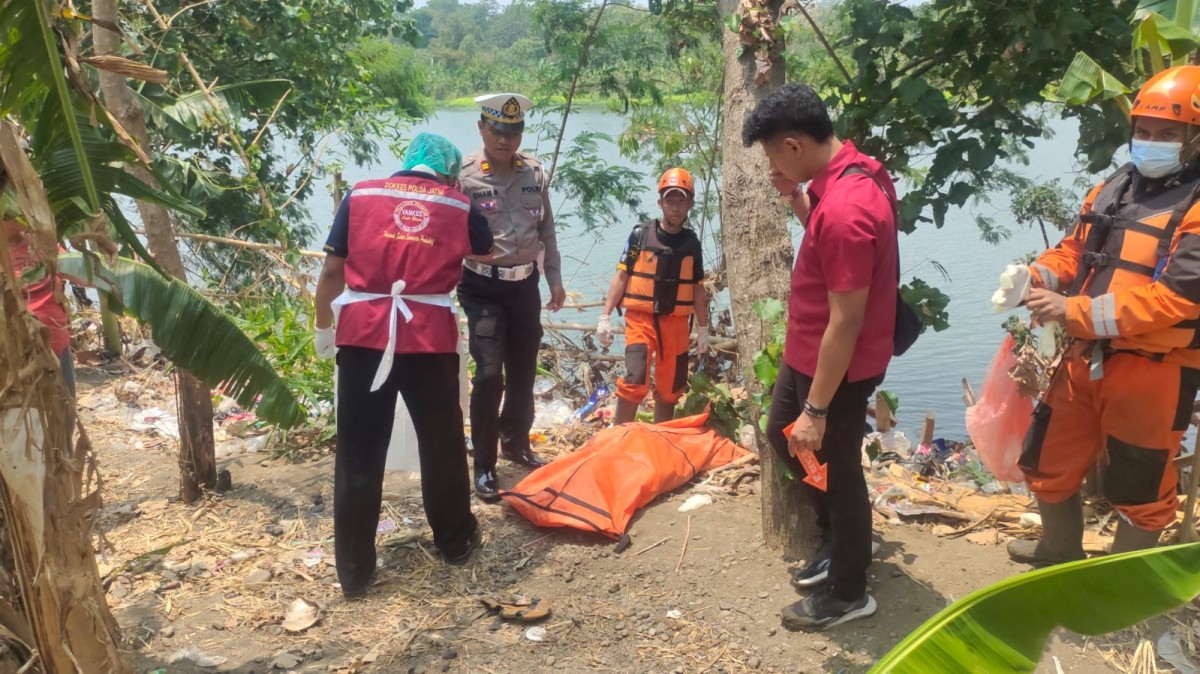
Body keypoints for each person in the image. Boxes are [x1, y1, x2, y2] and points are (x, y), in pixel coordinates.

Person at [1006, 65, 1200, 566]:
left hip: (1153, 371)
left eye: (1167, 134)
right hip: (1084, 356)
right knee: (1045, 460)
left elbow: (1177, 300)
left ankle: (1120, 591)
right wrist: (1039, 275)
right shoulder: (1114, 186)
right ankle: (1057, 552)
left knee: (1141, 490)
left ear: (1193, 138)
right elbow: (1075, 250)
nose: (1150, 141)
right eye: (1143, 130)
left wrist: (1075, 311)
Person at [743, 83, 899, 630]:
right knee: (781, 433)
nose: (771, 164)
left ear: (791, 144)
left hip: (838, 364)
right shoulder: (851, 176)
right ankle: (836, 534)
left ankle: (849, 589)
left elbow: (848, 319)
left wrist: (818, 409)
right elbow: (833, 253)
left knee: (839, 468)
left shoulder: (849, 208)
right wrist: (795, 198)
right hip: (809, 350)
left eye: (770, 155)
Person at [313, 132, 495, 599]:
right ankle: (454, 541)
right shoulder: (457, 204)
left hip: (361, 335)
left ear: (408, 161)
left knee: (357, 452)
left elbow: (332, 271)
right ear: (450, 170)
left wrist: (323, 326)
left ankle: (354, 571)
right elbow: (485, 249)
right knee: (443, 446)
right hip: (428, 339)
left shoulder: (360, 195)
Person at [459, 93, 565, 502]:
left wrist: (553, 278)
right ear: (482, 128)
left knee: (523, 369)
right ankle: (484, 466)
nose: (505, 139)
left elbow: (548, 232)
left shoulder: (534, 173)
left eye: (513, 131)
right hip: (482, 286)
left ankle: (516, 443)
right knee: (488, 374)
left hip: (525, 287)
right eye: (497, 130)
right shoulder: (465, 176)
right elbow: (452, 234)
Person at [595, 168, 711, 424]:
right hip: (641, 320)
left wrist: (703, 328)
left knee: (671, 387)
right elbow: (621, 276)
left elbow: (697, 288)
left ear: (690, 204)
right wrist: (605, 315)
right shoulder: (640, 235)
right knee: (635, 378)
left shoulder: (692, 243)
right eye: (670, 201)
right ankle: (620, 437)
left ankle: (661, 440)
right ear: (660, 203)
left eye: (681, 201)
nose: (675, 208)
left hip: (676, 325)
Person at [3, 191, 75, 398]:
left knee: (65, 420)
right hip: (18, 362)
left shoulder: (41, 244)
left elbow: (83, 274)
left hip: (58, 349)